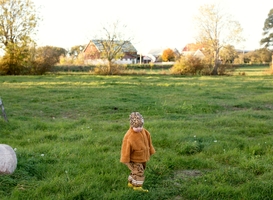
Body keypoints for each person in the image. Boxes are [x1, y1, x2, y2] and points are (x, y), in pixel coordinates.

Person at [120, 112, 156, 192]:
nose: (139, 128)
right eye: (136, 127)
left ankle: (131, 183)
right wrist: (125, 159)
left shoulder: (145, 132)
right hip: (134, 159)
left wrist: (151, 150)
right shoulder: (129, 136)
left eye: (141, 126)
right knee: (139, 172)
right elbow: (125, 149)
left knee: (135, 171)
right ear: (132, 125)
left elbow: (149, 142)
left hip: (143, 157)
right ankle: (137, 187)